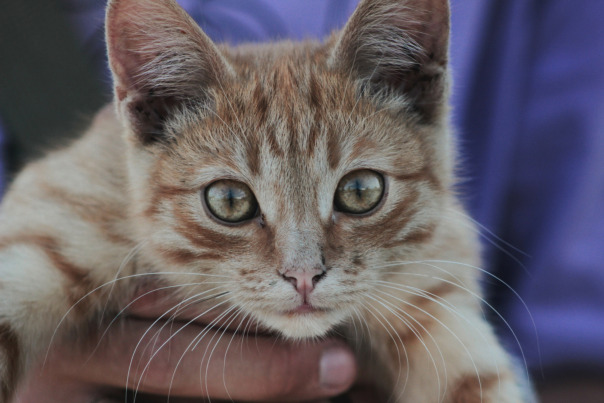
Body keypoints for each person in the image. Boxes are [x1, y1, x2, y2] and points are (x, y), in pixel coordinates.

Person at [3, 1, 604, 402]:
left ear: (419, 92)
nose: (303, 268)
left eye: (359, 193)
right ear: (150, 112)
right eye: (233, 202)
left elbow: (581, 364)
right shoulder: (98, 187)